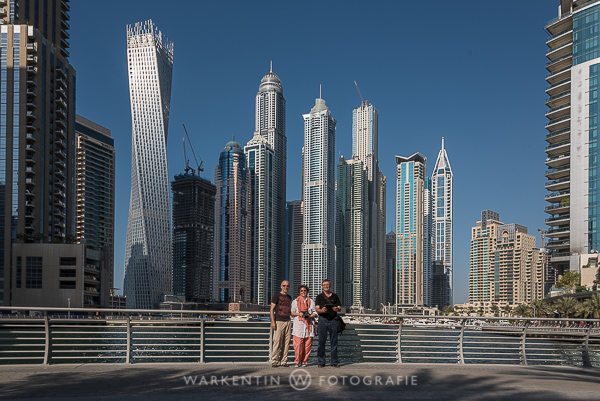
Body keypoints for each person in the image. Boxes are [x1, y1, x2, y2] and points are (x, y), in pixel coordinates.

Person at [315, 279, 342, 367]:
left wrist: (336, 309)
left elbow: (339, 307)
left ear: (330, 286)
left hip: (333, 320)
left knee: (334, 342)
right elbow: (317, 309)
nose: (326, 286)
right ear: (322, 286)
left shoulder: (335, 296)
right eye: (324, 285)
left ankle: (334, 362)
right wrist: (322, 310)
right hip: (323, 319)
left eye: (327, 285)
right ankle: (321, 362)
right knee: (321, 342)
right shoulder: (319, 297)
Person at [291, 285, 317, 367]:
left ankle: (305, 361)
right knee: (298, 345)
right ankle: (297, 361)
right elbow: (292, 312)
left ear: (307, 291)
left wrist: (309, 316)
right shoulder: (295, 301)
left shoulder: (311, 301)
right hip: (298, 325)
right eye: (301, 290)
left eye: (305, 290)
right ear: (299, 291)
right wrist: (299, 314)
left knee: (307, 345)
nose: (303, 292)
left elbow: (315, 313)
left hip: (309, 325)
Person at [270, 280, 292, 367]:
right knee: (277, 342)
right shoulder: (276, 295)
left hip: (288, 321)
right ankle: (274, 361)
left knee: (286, 343)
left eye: (287, 286)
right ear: (281, 286)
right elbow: (271, 309)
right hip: (278, 321)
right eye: (284, 285)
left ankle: (283, 361)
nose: (286, 287)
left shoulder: (289, 297)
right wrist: (273, 322)